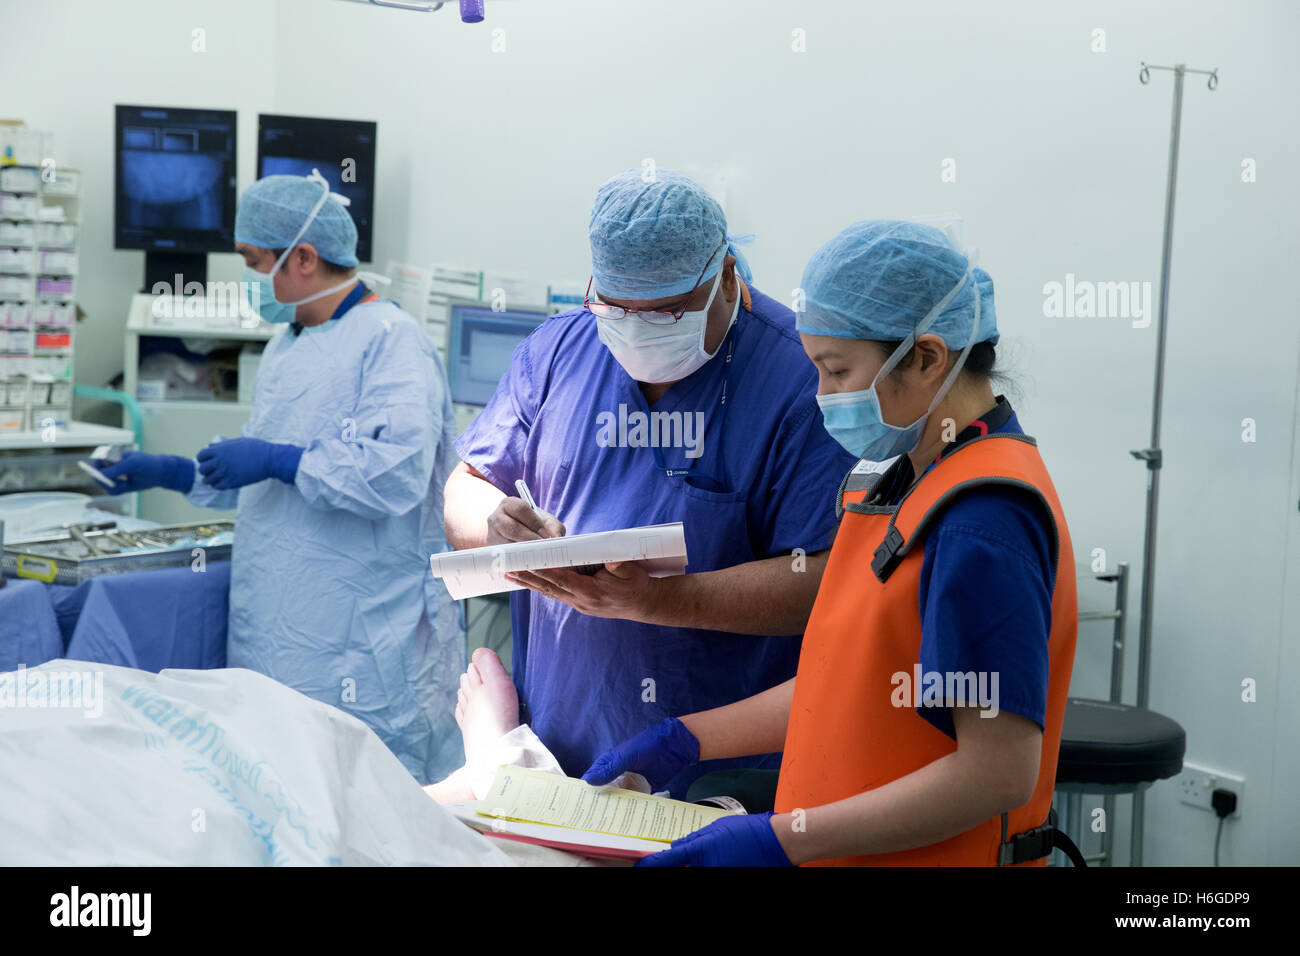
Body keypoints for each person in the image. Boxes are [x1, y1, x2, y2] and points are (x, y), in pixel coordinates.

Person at [582, 220, 1079, 865]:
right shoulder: (899, 483)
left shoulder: (980, 519)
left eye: (836, 371)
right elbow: (847, 682)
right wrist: (688, 737)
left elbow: (996, 772)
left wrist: (779, 840)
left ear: (927, 358)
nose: (821, 397)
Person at [438, 169, 856, 799]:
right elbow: (465, 486)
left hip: (718, 779)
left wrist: (658, 600)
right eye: (616, 306)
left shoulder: (802, 379)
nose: (635, 327)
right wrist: (493, 522)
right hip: (556, 758)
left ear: (726, 277)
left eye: (664, 311)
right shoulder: (561, 350)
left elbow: (823, 582)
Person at [98, 171, 464, 784]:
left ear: (303, 256)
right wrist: (174, 471)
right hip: (278, 626)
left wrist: (282, 460)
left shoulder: (392, 342)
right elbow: (261, 465)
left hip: (360, 636)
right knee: (281, 793)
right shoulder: (285, 346)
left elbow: (393, 475)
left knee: (367, 802)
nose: (246, 278)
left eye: (252, 261)